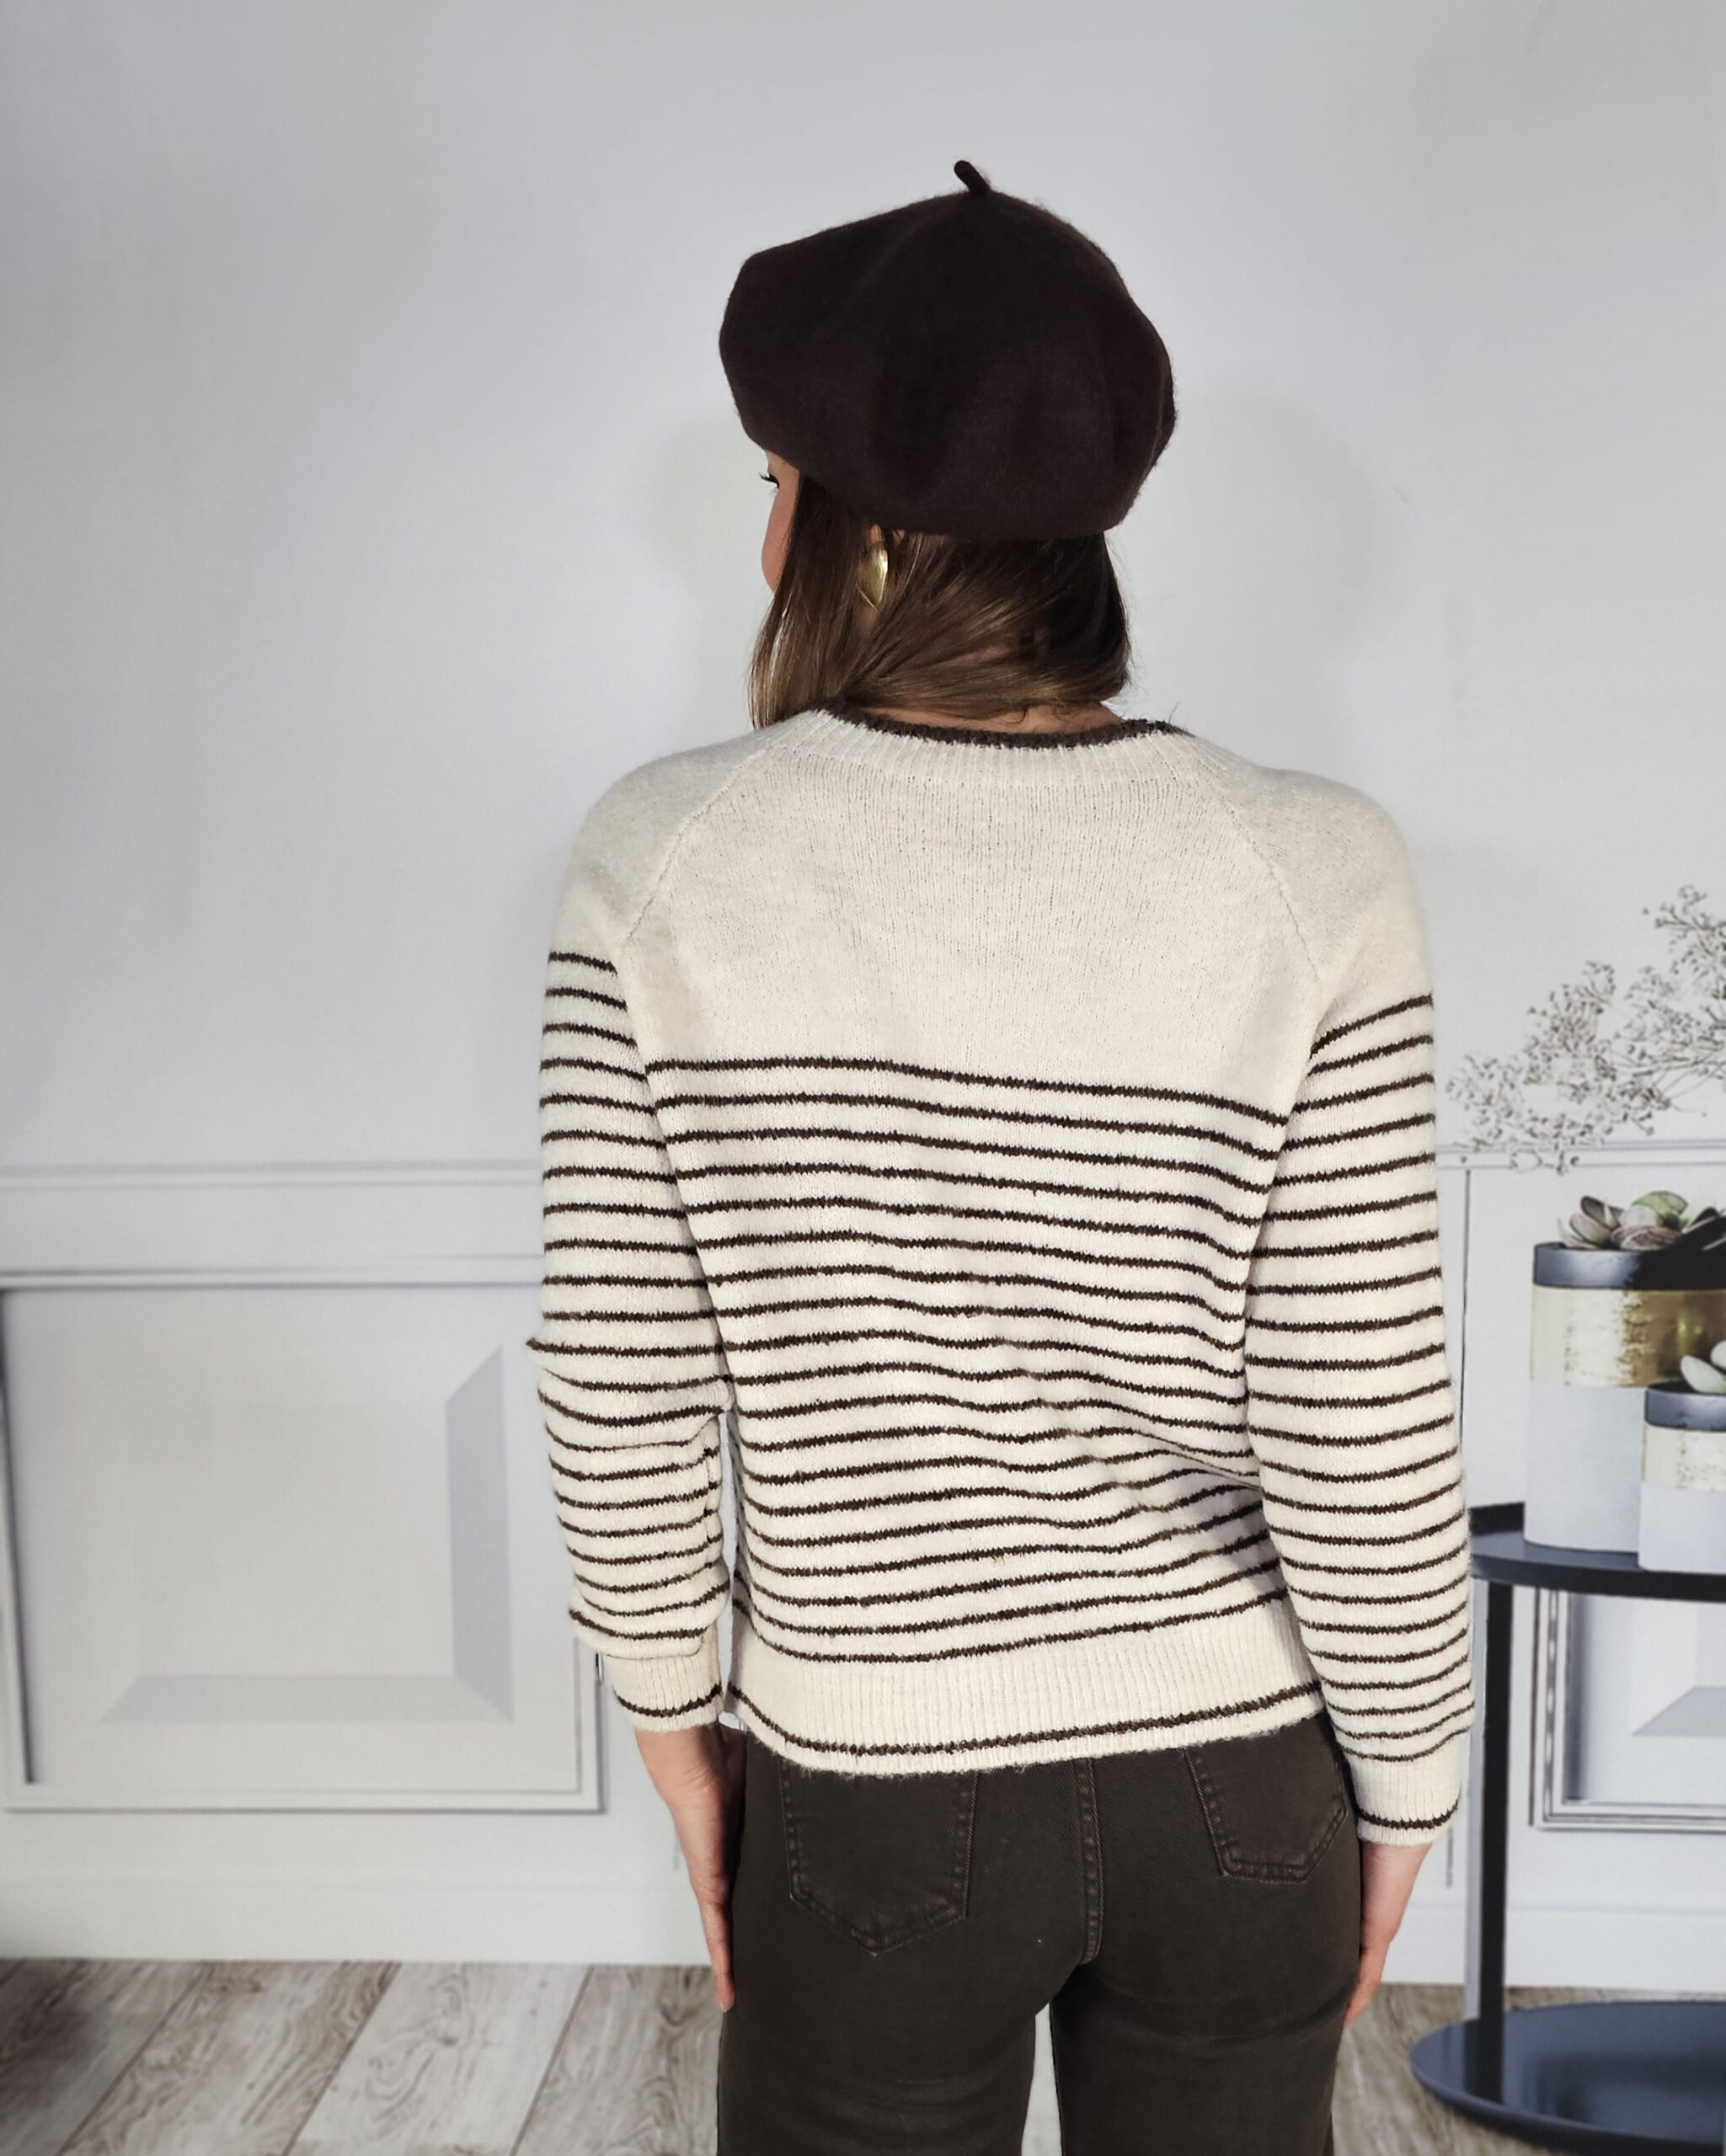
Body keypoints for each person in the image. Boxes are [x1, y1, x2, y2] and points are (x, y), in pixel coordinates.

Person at [526, 160, 1475, 2156]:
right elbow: (1358, 1394)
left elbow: (621, 1367)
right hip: (1241, 1782)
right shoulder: (1313, 866)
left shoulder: (664, 855)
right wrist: (1406, 1778)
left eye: (773, 481)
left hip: (873, 1786)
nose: (762, 528)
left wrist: (672, 1714)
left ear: (854, 536)